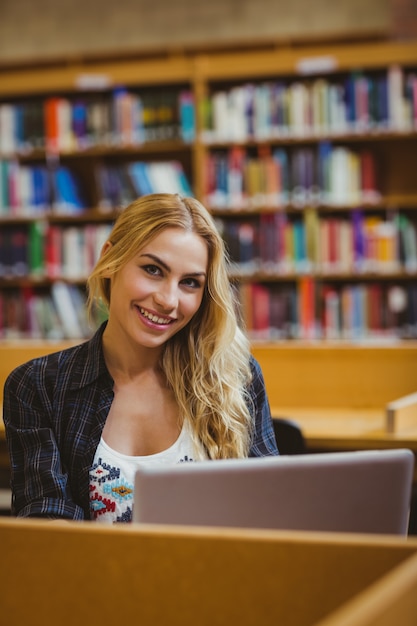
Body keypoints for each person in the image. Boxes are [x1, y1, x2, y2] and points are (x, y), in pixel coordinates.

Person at [3, 193, 278, 523]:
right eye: (153, 270)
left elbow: (268, 511)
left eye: (189, 283)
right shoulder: (38, 386)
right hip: (95, 574)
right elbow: (49, 529)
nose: (168, 300)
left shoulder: (236, 377)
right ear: (111, 259)